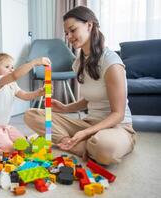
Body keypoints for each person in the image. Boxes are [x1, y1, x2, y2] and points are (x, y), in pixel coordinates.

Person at [24, 6, 136, 165]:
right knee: (32, 115)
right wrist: (64, 108)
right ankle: (73, 143)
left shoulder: (111, 63)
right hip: (90, 123)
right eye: (66, 33)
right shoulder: (78, 63)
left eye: (72, 30)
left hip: (117, 127)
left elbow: (118, 114)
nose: (69, 36)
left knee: (105, 148)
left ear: (89, 25)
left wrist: (85, 132)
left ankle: (84, 145)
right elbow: (89, 99)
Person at [0, 53, 51, 154]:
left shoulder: (12, 84)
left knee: (23, 144)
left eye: (12, 67)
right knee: (9, 149)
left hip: (4, 127)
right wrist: (34, 62)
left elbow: (25, 95)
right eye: (7, 67)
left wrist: (39, 93)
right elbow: (15, 75)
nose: (11, 69)